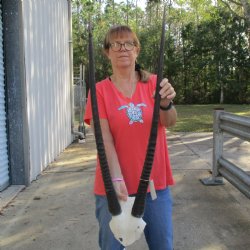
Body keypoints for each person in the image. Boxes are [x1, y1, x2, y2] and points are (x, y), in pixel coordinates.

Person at [84, 25, 177, 250]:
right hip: (113, 187)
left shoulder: (155, 83)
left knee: (162, 245)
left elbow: (170, 121)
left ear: (137, 49)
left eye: (128, 43)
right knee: (112, 247)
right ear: (107, 52)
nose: (122, 48)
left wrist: (165, 103)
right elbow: (104, 139)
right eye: (115, 44)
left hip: (154, 185)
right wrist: (115, 180)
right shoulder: (99, 91)